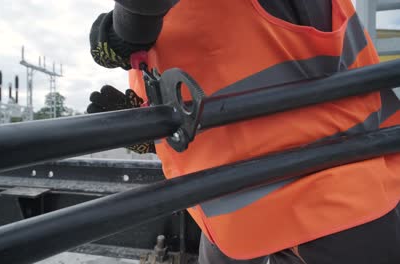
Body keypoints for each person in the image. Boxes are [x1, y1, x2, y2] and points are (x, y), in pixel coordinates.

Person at [88, 1, 400, 263]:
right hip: (247, 211)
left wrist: (125, 28)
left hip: (326, 209)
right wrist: (158, 136)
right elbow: (251, 83)